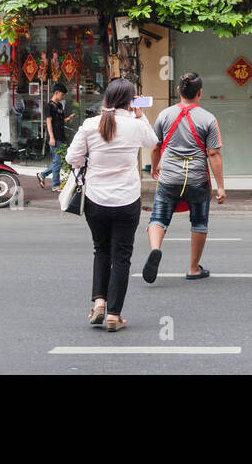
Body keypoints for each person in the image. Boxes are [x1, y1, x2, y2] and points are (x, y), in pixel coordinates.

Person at [66, 79, 157, 331]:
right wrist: (142, 117)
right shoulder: (135, 126)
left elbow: (72, 158)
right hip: (127, 199)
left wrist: (92, 161)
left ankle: (99, 303)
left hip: (96, 199)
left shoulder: (90, 124)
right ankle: (114, 315)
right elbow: (152, 142)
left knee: (101, 250)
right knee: (122, 257)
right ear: (130, 102)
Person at [144, 72, 227, 283]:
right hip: (197, 180)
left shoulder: (164, 115)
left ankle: (155, 249)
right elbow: (214, 153)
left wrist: (155, 168)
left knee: (158, 218)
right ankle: (193, 268)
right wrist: (220, 186)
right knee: (199, 222)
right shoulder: (208, 119)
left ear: (178, 91)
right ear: (200, 93)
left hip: (169, 178)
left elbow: (156, 146)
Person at [36, 83, 74, 191]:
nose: (63, 97)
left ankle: (42, 175)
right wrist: (51, 138)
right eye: (62, 95)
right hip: (55, 137)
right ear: (56, 93)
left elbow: (60, 121)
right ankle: (55, 185)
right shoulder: (49, 106)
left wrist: (69, 118)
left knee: (60, 161)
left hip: (61, 136)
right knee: (57, 162)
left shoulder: (60, 106)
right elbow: (49, 122)